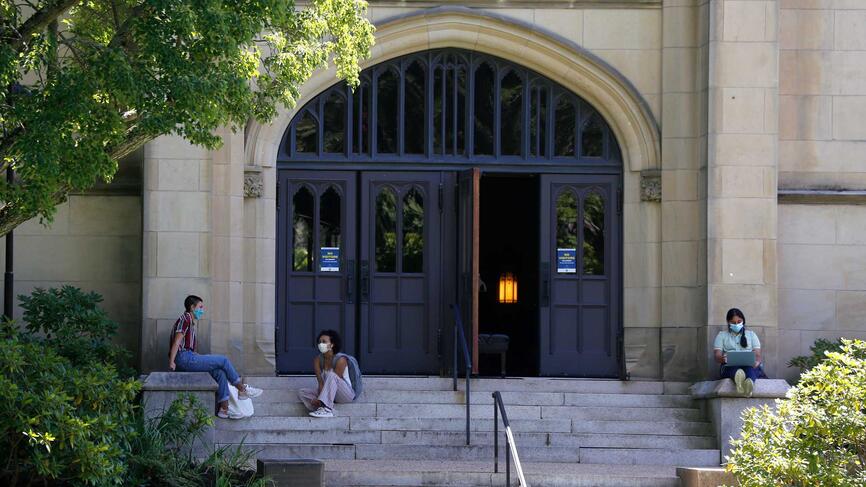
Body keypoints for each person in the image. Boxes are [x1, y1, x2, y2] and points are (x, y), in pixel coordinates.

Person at [168, 295, 262, 418]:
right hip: (183, 358)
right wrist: (171, 361)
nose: (202, 310)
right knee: (223, 360)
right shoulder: (185, 319)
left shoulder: (190, 322)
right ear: (192, 307)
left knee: (219, 372)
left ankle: (224, 409)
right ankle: (242, 389)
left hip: (188, 357)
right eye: (200, 307)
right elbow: (177, 341)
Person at [298, 330, 355, 418]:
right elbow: (321, 383)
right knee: (302, 392)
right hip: (329, 393)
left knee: (332, 375)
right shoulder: (317, 360)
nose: (321, 344)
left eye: (324, 342)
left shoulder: (341, 360)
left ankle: (327, 408)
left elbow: (334, 382)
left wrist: (321, 399)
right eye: (320, 342)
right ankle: (320, 406)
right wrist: (320, 397)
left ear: (332, 344)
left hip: (344, 394)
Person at [713, 308, 763, 397]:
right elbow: (717, 355)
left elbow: (757, 355)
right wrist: (723, 359)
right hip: (729, 365)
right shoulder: (722, 335)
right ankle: (739, 381)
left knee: (750, 370)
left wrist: (757, 362)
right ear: (728, 322)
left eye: (739, 321)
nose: (736, 324)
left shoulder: (751, 335)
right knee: (735, 370)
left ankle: (749, 385)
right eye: (733, 322)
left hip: (749, 365)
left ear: (743, 321)